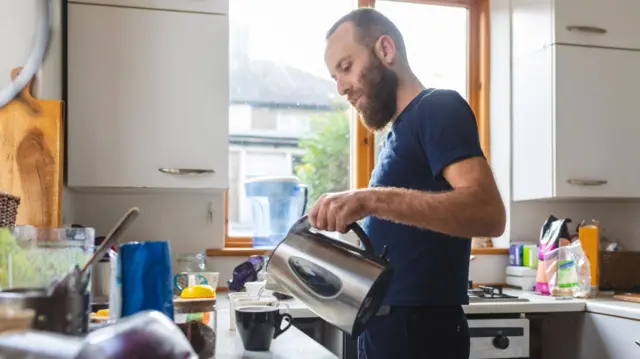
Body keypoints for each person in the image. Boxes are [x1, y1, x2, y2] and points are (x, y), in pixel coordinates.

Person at [308, 8, 506, 359]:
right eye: (335, 76)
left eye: (346, 67)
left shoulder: (437, 108)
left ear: (385, 50)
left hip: (419, 334)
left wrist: (369, 199)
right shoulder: (398, 135)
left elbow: (488, 212)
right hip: (389, 329)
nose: (341, 88)